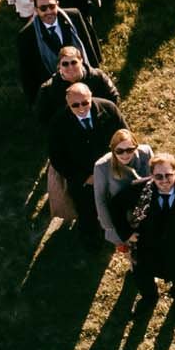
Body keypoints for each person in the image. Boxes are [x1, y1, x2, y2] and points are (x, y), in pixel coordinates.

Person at [112, 152, 175, 303]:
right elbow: (115, 206)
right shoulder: (139, 189)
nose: (164, 180)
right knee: (143, 275)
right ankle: (149, 299)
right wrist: (126, 233)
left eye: (168, 175)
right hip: (147, 245)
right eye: (158, 176)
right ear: (151, 175)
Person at [48, 82, 121, 242]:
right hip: (83, 180)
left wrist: (118, 165)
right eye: (75, 105)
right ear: (68, 104)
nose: (81, 108)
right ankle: (92, 239)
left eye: (85, 103)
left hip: (112, 171)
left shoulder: (108, 109)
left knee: (116, 205)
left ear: (91, 97)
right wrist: (84, 178)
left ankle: (116, 232)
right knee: (87, 211)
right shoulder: (58, 123)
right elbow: (57, 158)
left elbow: (124, 137)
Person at [16, 0, 100, 101]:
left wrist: (96, 73)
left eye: (52, 6)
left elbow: (87, 44)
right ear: (36, 10)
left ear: (57, 4)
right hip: (55, 89)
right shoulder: (27, 35)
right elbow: (27, 72)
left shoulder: (74, 16)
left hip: (83, 78)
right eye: (43, 8)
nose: (49, 11)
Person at [33, 45, 121, 127]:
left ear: (81, 61)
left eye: (74, 62)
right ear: (59, 66)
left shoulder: (98, 77)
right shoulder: (48, 88)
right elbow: (42, 117)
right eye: (65, 64)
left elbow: (114, 98)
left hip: (100, 122)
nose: (70, 67)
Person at [92, 129, 152, 248]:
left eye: (130, 150)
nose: (125, 155)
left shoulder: (145, 153)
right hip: (122, 218)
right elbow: (101, 200)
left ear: (136, 146)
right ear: (113, 149)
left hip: (146, 213)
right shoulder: (102, 166)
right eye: (119, 151)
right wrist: (118, 232)